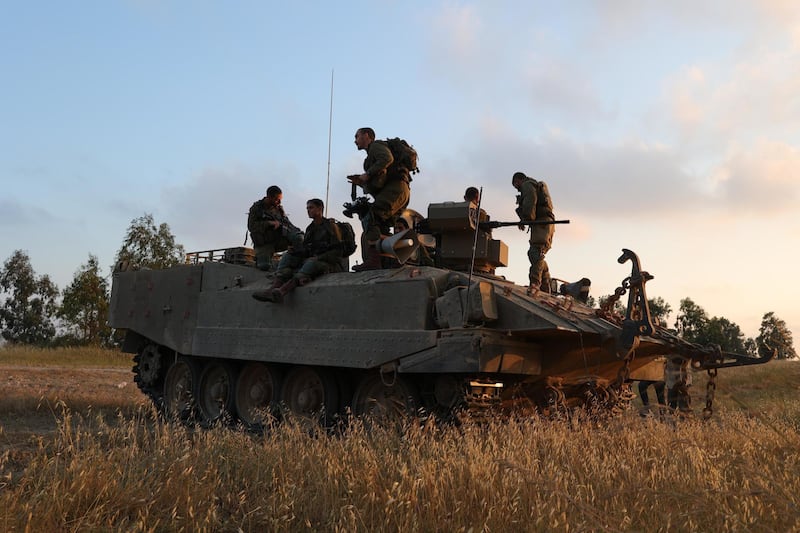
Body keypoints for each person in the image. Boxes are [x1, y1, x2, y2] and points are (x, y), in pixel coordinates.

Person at [252, 198, 343, 303]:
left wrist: (319, 257)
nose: (308, 210)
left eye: (311, 208)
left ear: (320, 208)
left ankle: (281, 292)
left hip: (327, 262)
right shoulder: (310, 229)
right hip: (312, 259)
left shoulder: (331, 226)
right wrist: (295, 251)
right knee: (288, 256)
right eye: (307, 208)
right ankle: (272, 290)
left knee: (310, 263)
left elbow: (338, 252)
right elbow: (306, 249)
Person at [347, 127, 411, 271]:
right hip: (400, 191)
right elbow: (379, 183)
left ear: (367, 135)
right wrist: (362, 182)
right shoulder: (370, 158)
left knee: (370, 218)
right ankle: (395, 258)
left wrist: (367, 174)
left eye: (357, 136)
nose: (355, 140)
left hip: (395, 189)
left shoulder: (376, 146)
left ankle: (374, 261)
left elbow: (387, 158)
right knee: (381, 226)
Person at [512, 172, 555, 292]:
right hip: (544, 223)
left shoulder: (527, 185)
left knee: (535, 252)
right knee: (536, 254)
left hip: (542, 223)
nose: (516, 188)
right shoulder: (534, 185)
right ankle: (546, 285)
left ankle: (535, 284)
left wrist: (525, 219)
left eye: (515, 185)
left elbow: (530, 200)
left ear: (518, 180)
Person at [247, 185, 304, 271]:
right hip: (264, 243)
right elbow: (251, 227)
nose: (279, 202)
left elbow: (288, 224)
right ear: (269, 197)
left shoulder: (279, 209)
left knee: (298, 237)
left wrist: (298, 233)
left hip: (278, 239)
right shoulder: (257, 208)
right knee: (264, 266)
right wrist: (269, 223)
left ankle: (297, 262)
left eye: (280, 199)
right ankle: (270, 263)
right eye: (277, 199)